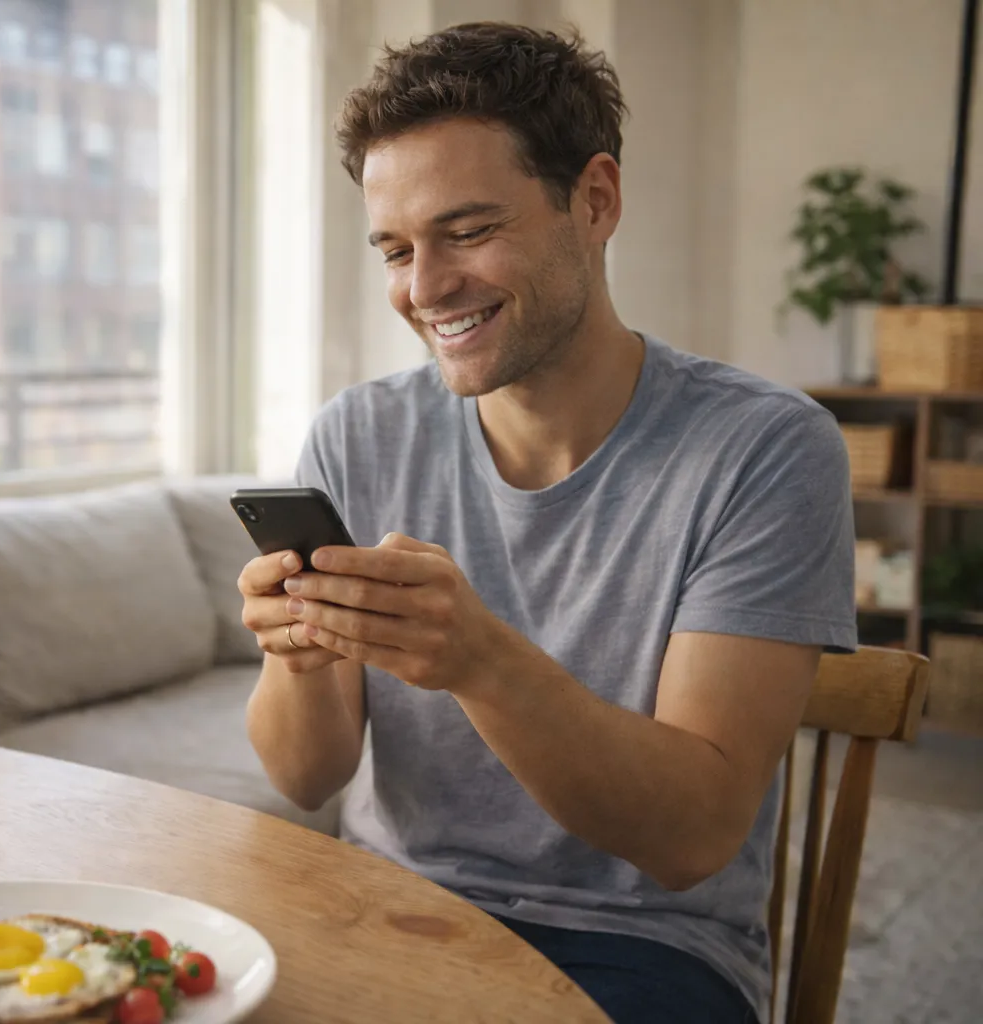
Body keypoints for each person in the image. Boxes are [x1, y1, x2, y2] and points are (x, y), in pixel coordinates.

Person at [240, 21, 856, 1024]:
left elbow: (693, 834)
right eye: (397, 248)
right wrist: (302, 650)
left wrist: (479, 659)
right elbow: (306, 774)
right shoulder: (356, 434)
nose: (425, 288)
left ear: (596, 200)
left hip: (642, 949)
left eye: (469, 231)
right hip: (384, 912)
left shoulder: (766, 450)